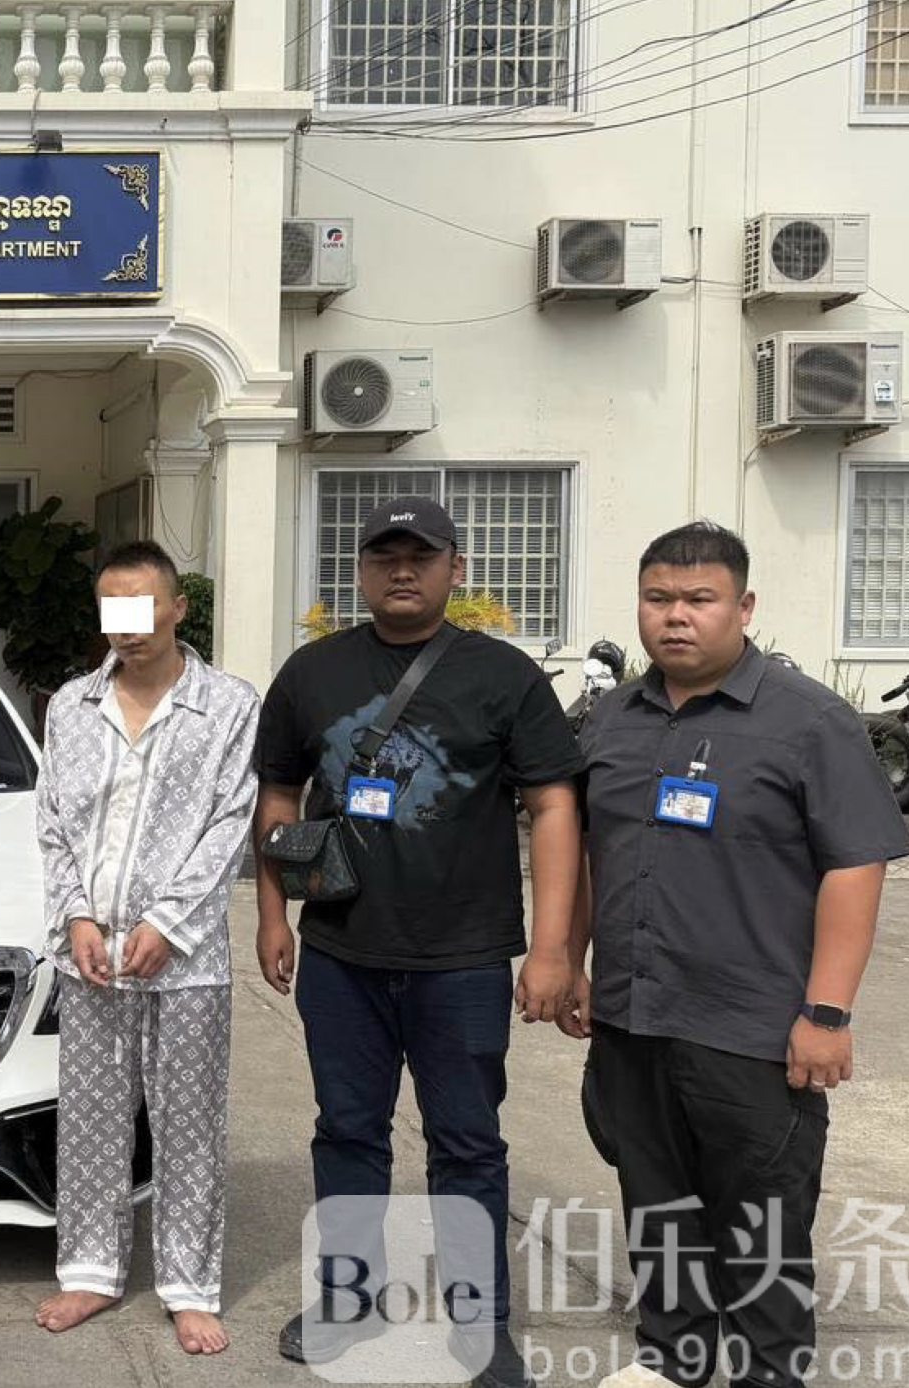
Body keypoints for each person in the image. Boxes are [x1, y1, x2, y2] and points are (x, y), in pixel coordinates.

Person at [563, 523, 909, 1388]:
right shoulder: (613, 718)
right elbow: (587, 851)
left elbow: (854, 867)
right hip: (635, 1017)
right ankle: (672, 1361)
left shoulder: (808, 721)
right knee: (659, 1212)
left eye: (699, 599)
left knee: (761, 1230)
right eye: (658, 599)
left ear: (743, 606)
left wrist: (826, 1012)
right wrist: (570, 960)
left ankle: (768, 1372)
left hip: (752, 1029)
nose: (675, 617)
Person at [252, 497, 583, 1388]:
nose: (403, 571)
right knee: (347, 1133)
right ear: (360, 570)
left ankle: (482, 1325)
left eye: (422, 556)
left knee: (467, 1143)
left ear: (454, 569)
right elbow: (279, 796)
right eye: (385, 556)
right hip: (341, 954)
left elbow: (554, 805)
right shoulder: (313, 672)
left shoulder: (504, 676)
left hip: (464, 958)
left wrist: (551, 948)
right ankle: (347, 1301)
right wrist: (273, 914)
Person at [31, 539, 260, 1357]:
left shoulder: (228, 705)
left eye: (141, 607)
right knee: (91, 1119)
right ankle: (90, 1271)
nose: (126, 628)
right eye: (112, 610)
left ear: (177, 608)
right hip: (91, 954)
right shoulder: (71, 706)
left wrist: (168, 924)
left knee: (187, 1122)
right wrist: (76, 919)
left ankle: (189, 1287)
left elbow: (230, 823)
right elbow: (53, 823)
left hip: (185, 959)